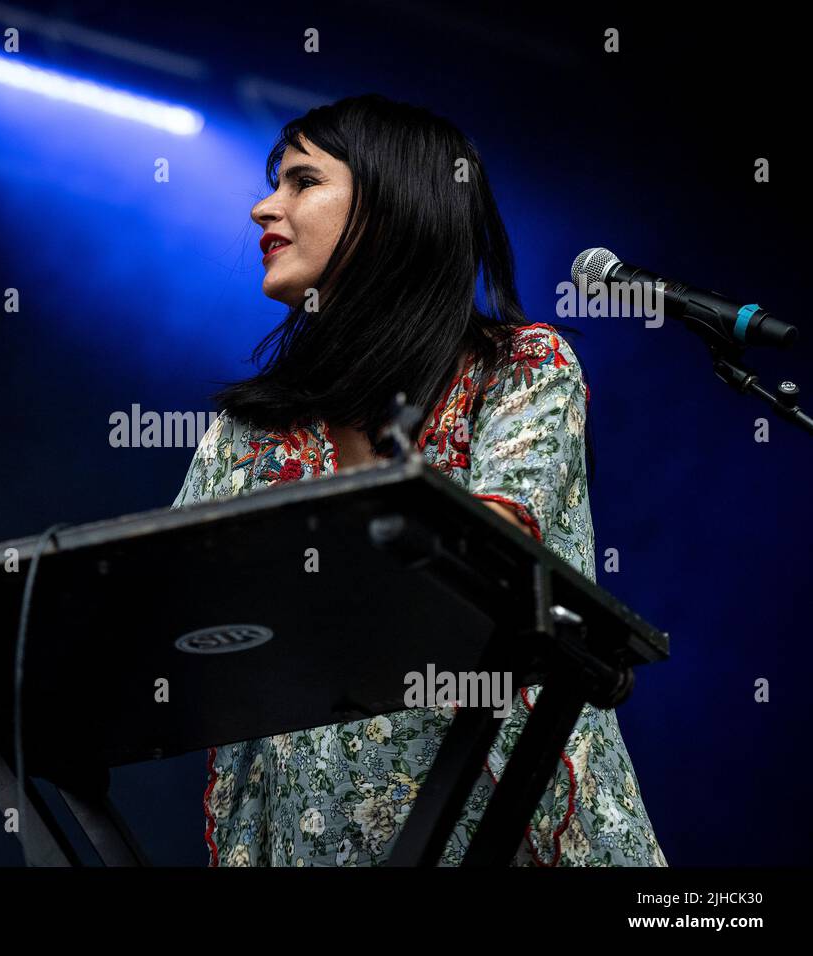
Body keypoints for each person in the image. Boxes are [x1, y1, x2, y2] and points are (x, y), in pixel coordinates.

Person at [170, 94, 667, 867]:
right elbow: (171, 614)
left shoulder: (521, 368)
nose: (263, 206)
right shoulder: (248, 436)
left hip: (511, 834)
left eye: (303, 181)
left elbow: (492, 557)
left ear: (394, 205)